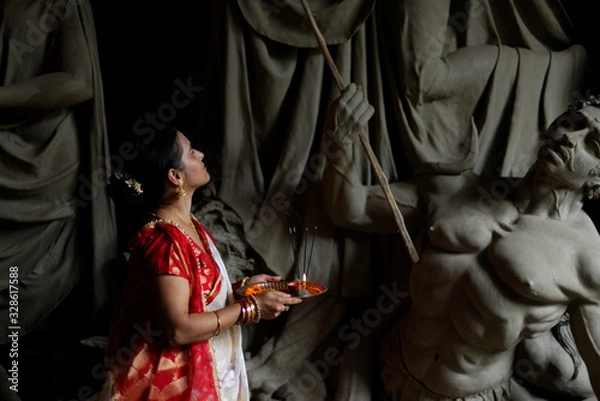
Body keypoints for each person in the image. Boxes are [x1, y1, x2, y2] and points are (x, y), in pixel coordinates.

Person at [322, 83, 600, 399]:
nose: (570, 138)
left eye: (593, 145)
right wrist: (339, 140)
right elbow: (350, 209)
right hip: (388, 366)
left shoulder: (588, 259)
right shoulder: (455, 190)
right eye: (571, 123)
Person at [98, 127, 302, 400]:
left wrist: (241, 289)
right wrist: (251, 308)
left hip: (205, 371)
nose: (201, 154)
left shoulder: (188, 226)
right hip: (173, 385)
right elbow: (178, 329)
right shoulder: (165, 242)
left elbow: (195, 296)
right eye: (192, 152)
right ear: (175, 176)